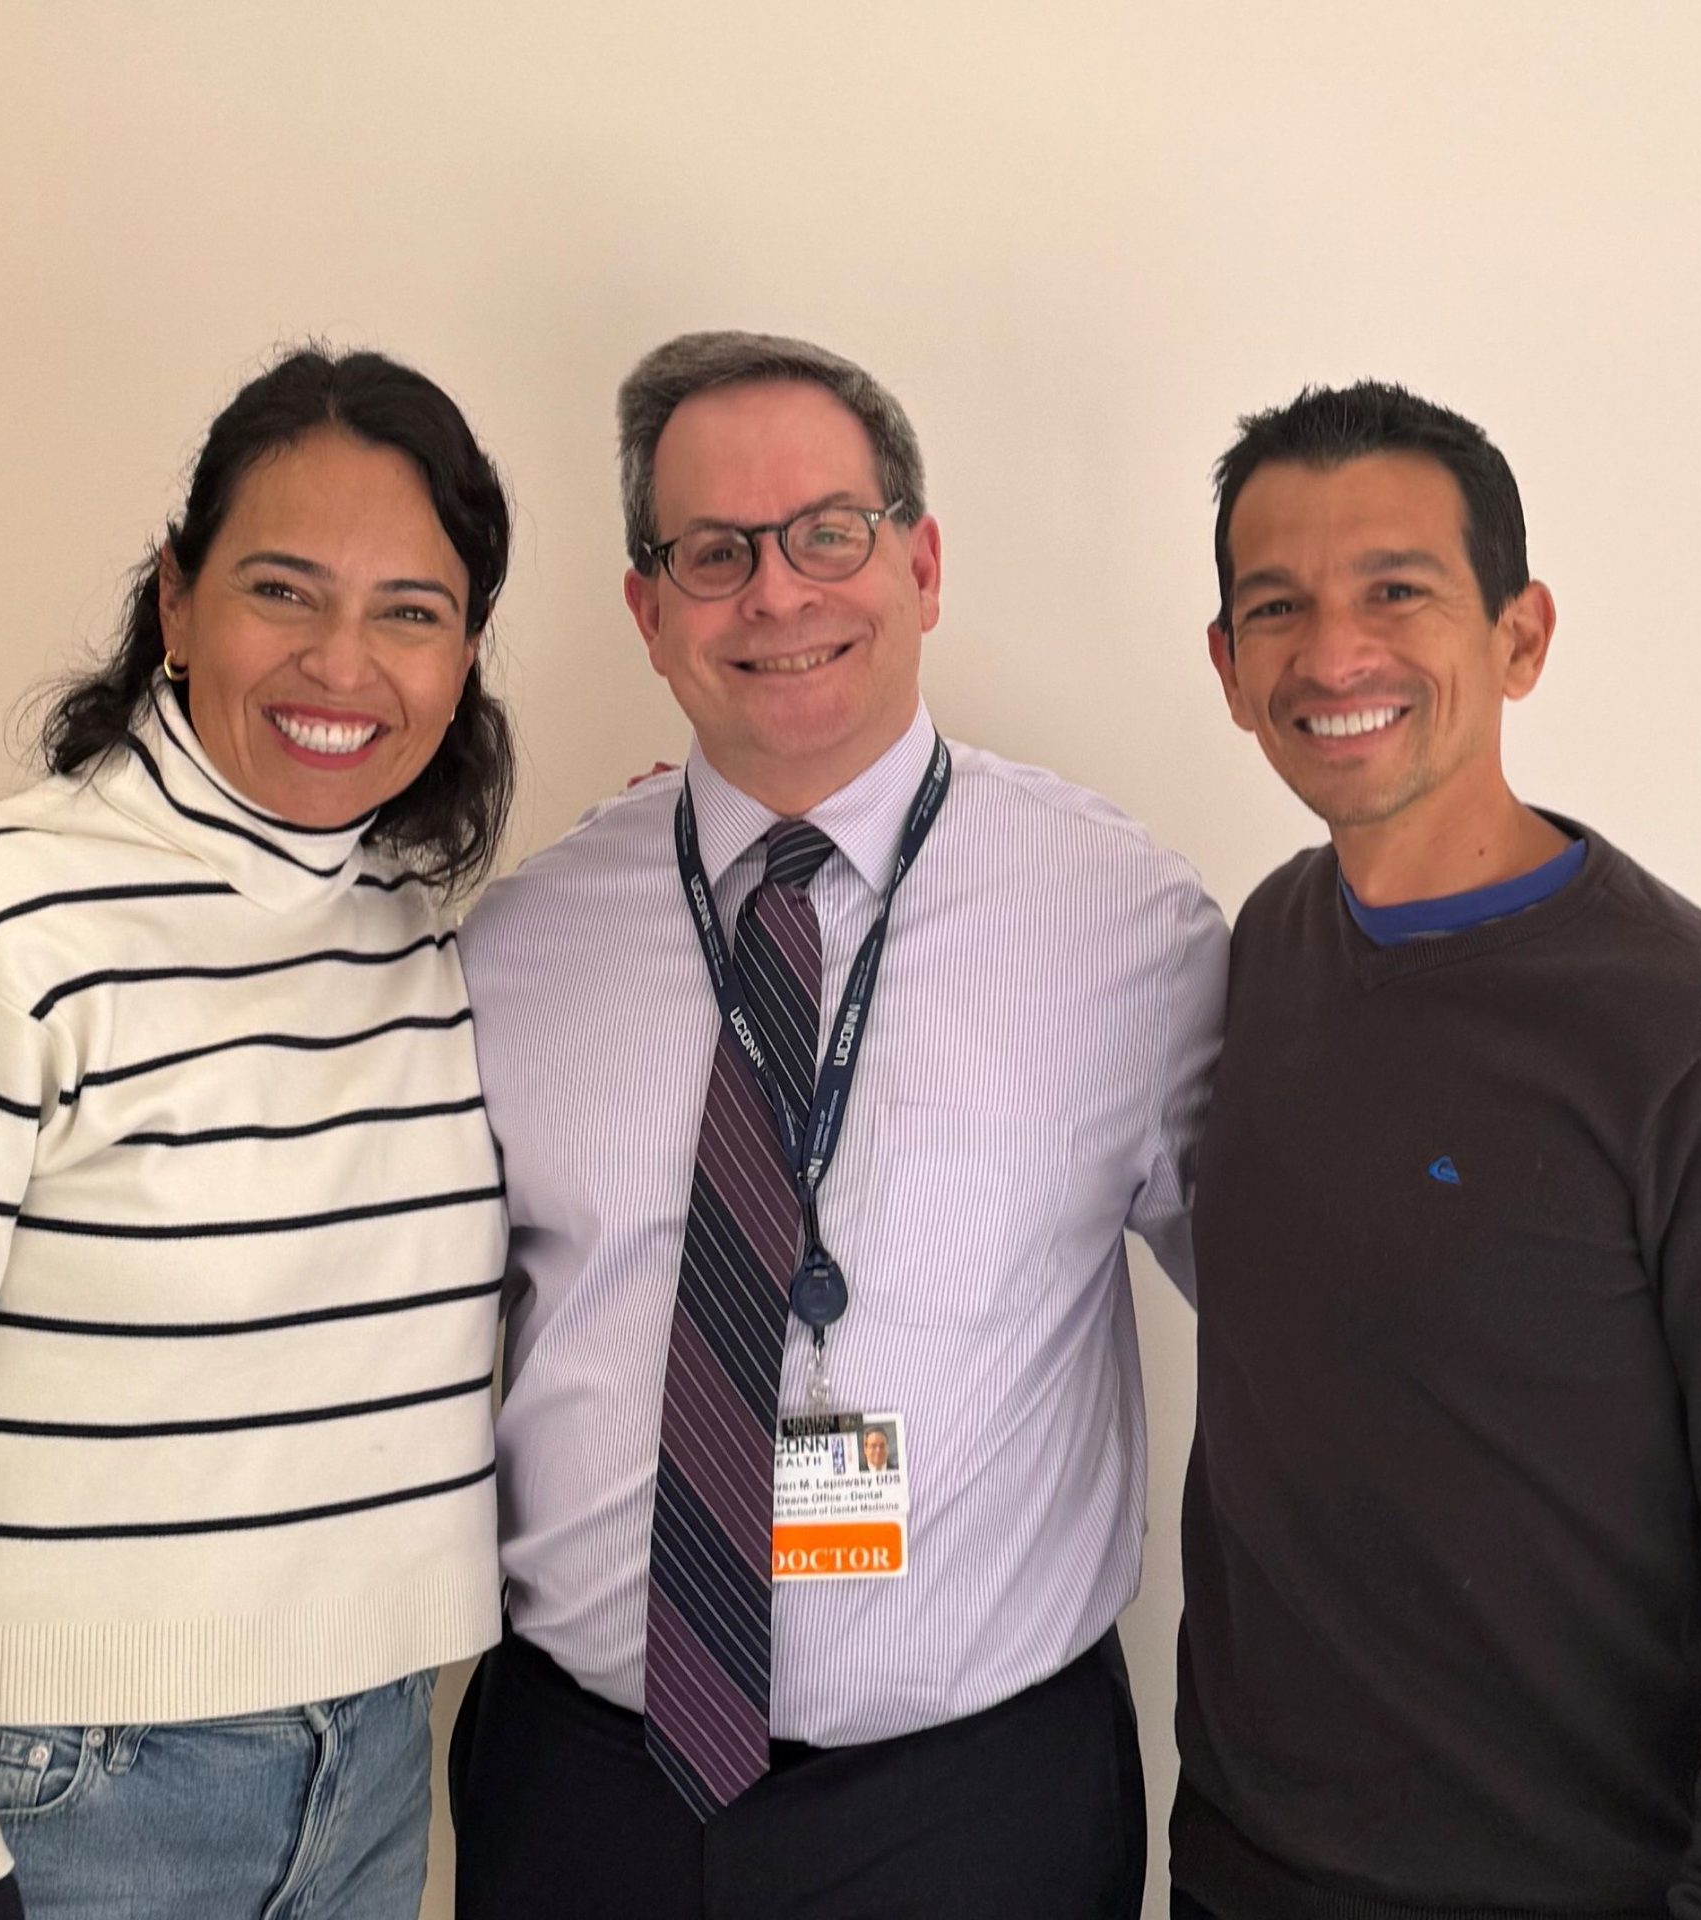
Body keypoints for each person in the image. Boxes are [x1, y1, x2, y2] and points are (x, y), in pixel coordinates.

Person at [0, 348, 518, 1920]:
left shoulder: (412, 931)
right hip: (55, 1799)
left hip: (370, 1773)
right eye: (282, 590)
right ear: (174, 597)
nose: (341, 663)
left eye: (409, 611)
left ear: (467, 649)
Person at [451, 330, 1227, 1920]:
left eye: (829, 532)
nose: (779, 595)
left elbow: (1307, 1311)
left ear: (921, 562)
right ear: (647, 609)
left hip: (977, 1805)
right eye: (713, 554)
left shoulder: (1122, 926)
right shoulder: (521, 946)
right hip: (585, 1790)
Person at [1174, 382, 1701, 1920]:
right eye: (1278, 608)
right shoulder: (1270, 947)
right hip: (1245, 1868)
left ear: (1520, 637)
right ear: (1229, 670)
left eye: (1398, 591)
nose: (1335, 654)